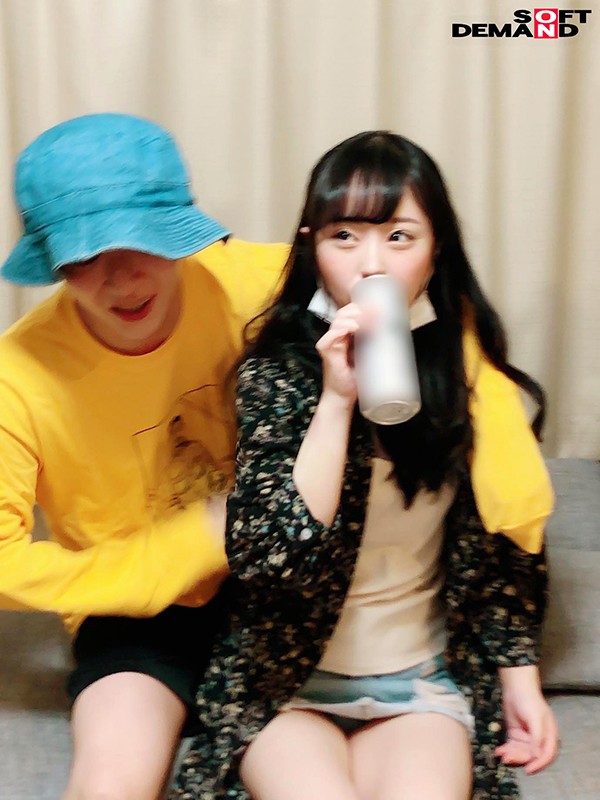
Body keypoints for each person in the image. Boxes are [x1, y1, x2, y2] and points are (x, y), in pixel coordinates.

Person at [171, 131, 559, 800]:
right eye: (344, 237)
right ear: (312, 248)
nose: (371, 262)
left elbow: (508, 547)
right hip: (286, 684)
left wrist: (521, 683)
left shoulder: (469, 373)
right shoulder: (274, 371)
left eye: (399, 237)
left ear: (437, 249)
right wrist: (336, 399)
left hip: (421, 683)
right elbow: (270, 559)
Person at [0, 113, 287, 799]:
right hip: (132, 615)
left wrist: (512, 483)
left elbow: (421, 296)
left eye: (142, 241)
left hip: (278, 591)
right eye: (86, 255)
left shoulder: (255, 282)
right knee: (110, 782)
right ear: (52, 259)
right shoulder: (18, 377)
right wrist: (180, 550)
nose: (122, 278)